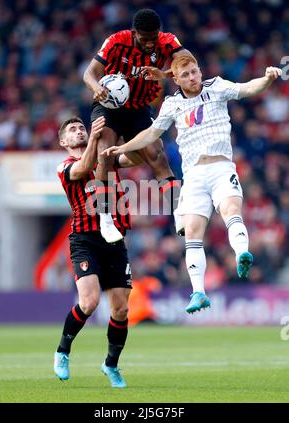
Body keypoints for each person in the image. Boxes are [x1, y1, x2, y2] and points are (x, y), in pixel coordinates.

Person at [101, 53, 282, 314]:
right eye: (185, 75)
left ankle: (242, 253)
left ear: (200, 70)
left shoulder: (216, 87)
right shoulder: (172, 105)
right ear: (176, 79)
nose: (192, 77)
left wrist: (266, 78)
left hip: (221, 167)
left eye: (195, 72)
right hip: (194, 175)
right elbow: (151, 134)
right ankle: (198, 292)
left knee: (231, 209)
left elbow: (246, 88)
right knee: (193, 233)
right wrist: (122, 148)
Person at [83, 8, 191, 242]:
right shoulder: (115, 41)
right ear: (134, 33)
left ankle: (178, 211)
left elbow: (189, 64)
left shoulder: (167, 41)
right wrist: (96, 88)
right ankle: (106, 219)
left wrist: (163, 74)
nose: (150, 44)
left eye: (154, 38)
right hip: (109, 107)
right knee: (104, 155)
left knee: (157, 155)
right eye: (144, 39)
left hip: (139, 109)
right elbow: (89, 73)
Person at [54, 115, 134, 388]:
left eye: (81, 128)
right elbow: (84, 167)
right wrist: (98, 143)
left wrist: (129, 134)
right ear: (64, 142)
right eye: (72, 130)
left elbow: (133, 159)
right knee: (89, 302)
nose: (79, 132)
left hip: (114, 239)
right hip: (85, 238)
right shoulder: (64, 165)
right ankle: (63, 351)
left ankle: (111, 364)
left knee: (121, 309)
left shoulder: (106, 157)